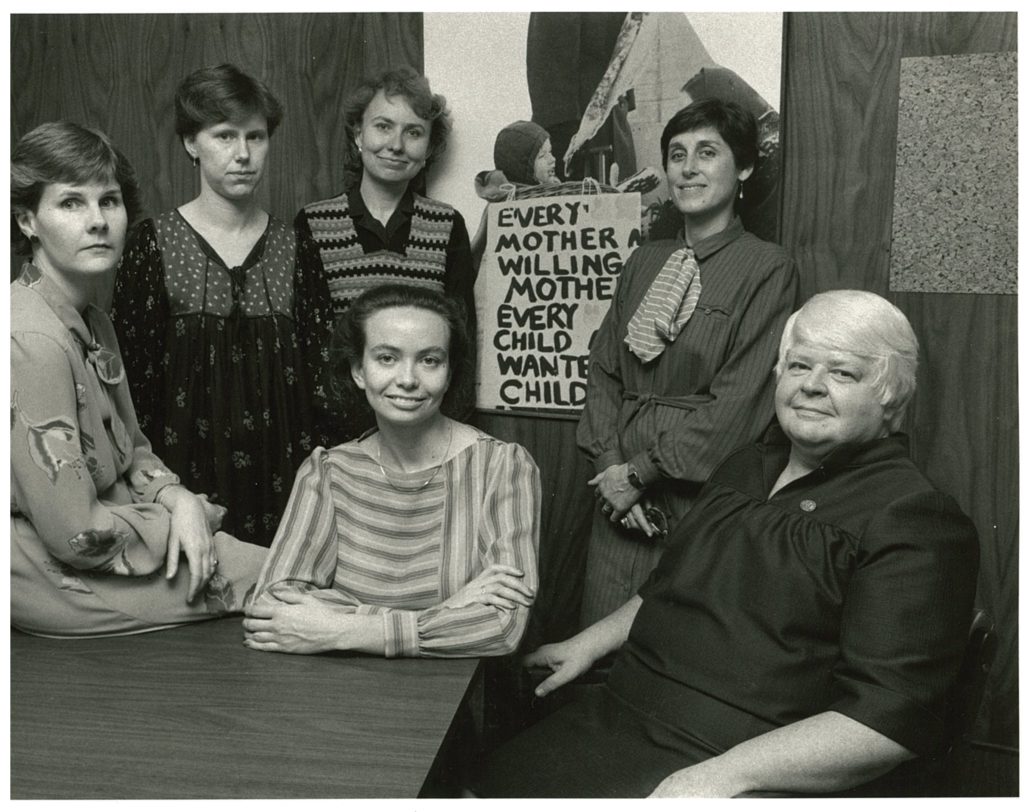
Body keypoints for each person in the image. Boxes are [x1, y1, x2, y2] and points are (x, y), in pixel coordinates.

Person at [471, 290, 980, 797]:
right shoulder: (747, 464)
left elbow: (888, 719)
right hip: (620, 712)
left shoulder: (913, 516)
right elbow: (672, 586)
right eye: (799, 365)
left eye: (843, 373)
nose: (812, 386)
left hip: (741, 761)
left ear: (891, 393)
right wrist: (588, 643)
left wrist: (721, 777)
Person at [11, 121, 267, 638]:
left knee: (279, 566)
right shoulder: (31, 341)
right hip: (50, 571)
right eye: (70, 204)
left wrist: (180, 500)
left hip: (117, 531)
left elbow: (133, 452)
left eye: (108, 201)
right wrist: (182, 521)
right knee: (278, 574)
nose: (97, 221)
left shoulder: (93, 319)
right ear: (27, 221)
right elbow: (77, 534)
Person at [576, 98, 798, 626]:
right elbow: (604, 370)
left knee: (674, 644)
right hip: (616, 500)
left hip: (695, 498)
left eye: (707, 153)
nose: (688, 168)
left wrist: (641, 471)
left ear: (743, 167)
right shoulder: (643, 262)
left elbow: (742, 401)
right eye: (677, 155)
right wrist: (610, 468)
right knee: (595, 653)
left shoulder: (768, 267)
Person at [243, 284, 540, 658]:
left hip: (453, 692)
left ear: (449, 374)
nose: (408, 379)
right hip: (336, 691)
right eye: (387, 358)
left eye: (430, 360)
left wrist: (343, 629)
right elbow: (272, 607)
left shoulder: (503, 467)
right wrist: (449, 609)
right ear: (358, 371)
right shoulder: (328, 472)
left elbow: (503, 626)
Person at [111, 64, 335, 548]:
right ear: (192, 143)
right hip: (186, 487)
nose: (243, 154)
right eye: (224, 135)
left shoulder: (297, 246)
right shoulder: (153, 244)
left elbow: (324, 383)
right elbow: (132, 390)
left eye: (256, 137)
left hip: (286, 488)